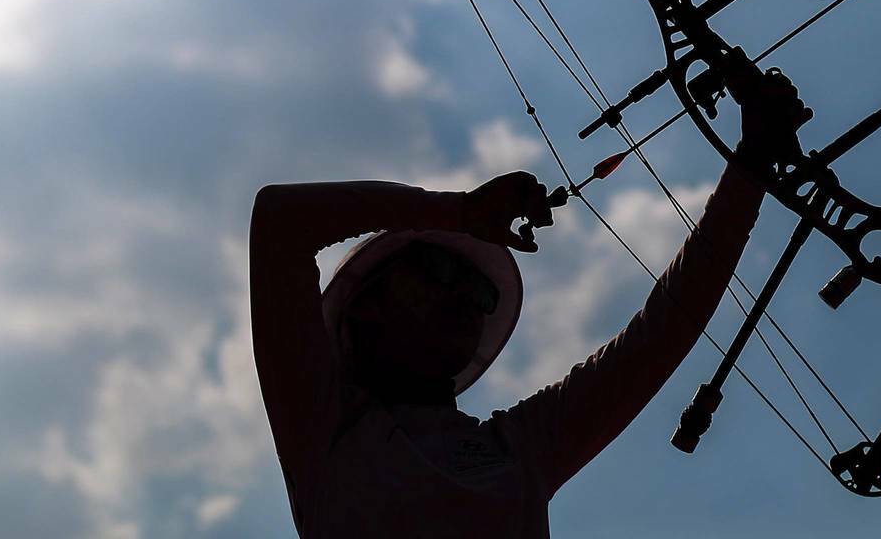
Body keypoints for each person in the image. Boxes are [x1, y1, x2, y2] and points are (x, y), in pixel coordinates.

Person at [250, 70, 809, 538]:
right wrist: (459, 214)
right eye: (439, 272)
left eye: (479, 292)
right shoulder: (324, 427)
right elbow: (280, 224)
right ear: (365, 311)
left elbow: (661, 334)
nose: (465, 298)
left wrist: (752, 161)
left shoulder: (519, 450)